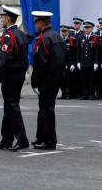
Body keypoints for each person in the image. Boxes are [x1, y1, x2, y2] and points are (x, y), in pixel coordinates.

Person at [0, 5, 29, 152]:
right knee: (9, 107)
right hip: (17, 76)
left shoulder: (9, 36)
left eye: (2, 17)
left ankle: (22, 140)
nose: (1, 19)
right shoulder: (20, 34)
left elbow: (4, 61)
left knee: (12, 108)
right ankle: (6, 139)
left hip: (10, 77)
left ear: (7, 18)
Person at [30, 11, 65, 150]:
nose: (35, 25)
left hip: (47, 79)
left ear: (41, 23)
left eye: (36, 23)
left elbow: (41, 63)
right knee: (44, 109)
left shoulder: (43, 38)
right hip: (55, 78)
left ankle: (49, 141)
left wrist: (35, 81)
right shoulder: (57, 36)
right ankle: (41, 137)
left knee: (46, 110)